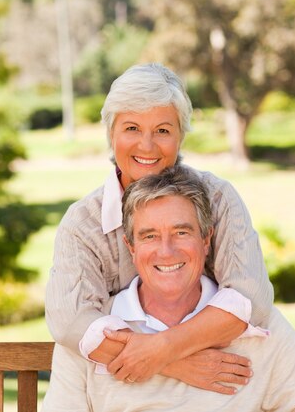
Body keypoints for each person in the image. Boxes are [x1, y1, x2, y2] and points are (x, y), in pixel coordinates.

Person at [45, 63, 274, 392]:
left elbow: (251, 299)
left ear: (180, 135)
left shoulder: (220, 199)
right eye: (132, 129)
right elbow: (71, 322)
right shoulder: (83, 223)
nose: (147, 146)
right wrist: (173, 363)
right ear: (112, 134)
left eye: (163, 130)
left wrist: (162, 349)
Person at [42, 166, 295, 412]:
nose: (166, 251)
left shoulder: (259, 331)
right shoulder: (94, 336)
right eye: (149, 237)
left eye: (181, 232)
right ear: (130, 248)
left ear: (206, 239)